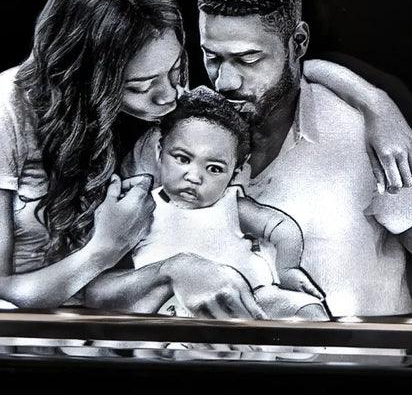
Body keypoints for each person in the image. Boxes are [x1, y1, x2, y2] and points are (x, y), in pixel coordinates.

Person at [0, 0, 412, 318]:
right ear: (89, 77)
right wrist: (111, 247)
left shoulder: (155, 105)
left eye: (178, 69)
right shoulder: (1, 109)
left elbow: (277, 68)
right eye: (142, 86)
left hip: (63, 287)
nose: (172, 97)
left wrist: (377, 104)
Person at [123, 0, 412, 318]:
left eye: (248, 59)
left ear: (297, 43)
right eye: (212, 57)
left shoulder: (362, 135)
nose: (225, 81)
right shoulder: (168, 143)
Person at [131, 86, 329, 321]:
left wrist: (287, 270)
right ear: (159, 152)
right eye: (183, 159)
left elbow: (281, 228)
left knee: (307, 309)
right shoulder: (141, 207)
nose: (194, 177)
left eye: (214, 168)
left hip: (254, 300)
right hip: (177, 310)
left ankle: (304, 355)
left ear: (235, 173)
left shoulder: (230, 206)